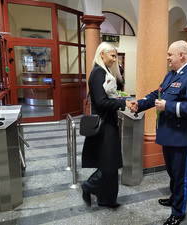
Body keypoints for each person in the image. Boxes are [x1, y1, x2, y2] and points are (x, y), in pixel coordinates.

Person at [131, 40, 187, 225]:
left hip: (183, 136)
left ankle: (178, 212)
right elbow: (156, 94)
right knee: (173, 172)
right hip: (168, 133)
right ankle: (175, 198)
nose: (167, 58)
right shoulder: (171, 75)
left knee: (181, 175)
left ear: (181, 55)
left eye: (169, 55)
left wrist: (169, 106)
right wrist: (139, 104)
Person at [81, 42, 133, 208]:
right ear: (102, 54)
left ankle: (107, 199)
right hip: (103, 126)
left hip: (109, 122)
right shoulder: (98, 72)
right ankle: (88, 186)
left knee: (112, 162)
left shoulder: (104, 71)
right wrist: (123, 103)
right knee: (109, 164)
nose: (114, 60)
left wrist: (120, 100)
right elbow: (102, 103)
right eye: (112, 56)